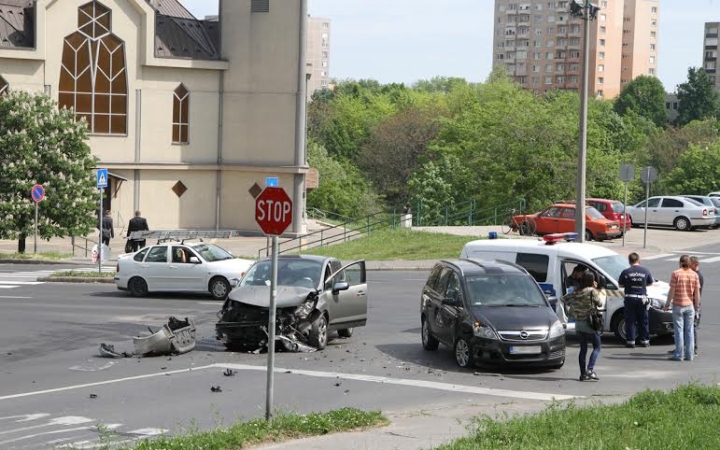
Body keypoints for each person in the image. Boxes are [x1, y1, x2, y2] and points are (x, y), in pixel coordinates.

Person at [563, 272, 604, 382]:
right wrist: (595, 288)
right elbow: (600, 304)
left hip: (579, 324)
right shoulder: (592, 291)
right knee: (597, 347)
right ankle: (590, 370)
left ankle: (582, 374)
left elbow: (564, 299)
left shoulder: (577, 291)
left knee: (583, 349)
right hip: (589, 323)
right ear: (592, 281)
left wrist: (570, 310)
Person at [664, 255, 701, 361]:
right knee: (689, 331)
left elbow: (672, 291)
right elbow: (697, 293)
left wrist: (667, 304)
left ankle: (679, 355)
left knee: (679, 331)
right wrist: (697, 307)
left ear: (680, 262)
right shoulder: (694, 275)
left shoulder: (676, 273)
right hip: (690, 305)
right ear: (689, 263)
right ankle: (690, 355)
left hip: (678, 305)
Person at [618, 252, 654, 348]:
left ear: (629, 261)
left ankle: (630, 341)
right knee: (643, 320)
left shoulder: (626, 272)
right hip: (642, 299)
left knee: (630, 320)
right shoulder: (645, 271)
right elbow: (650, 283)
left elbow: (620, 285)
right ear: (639, 260)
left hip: (630, 298)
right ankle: (645, 341)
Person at [690, 256, 703, 356]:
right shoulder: (695, 274)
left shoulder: (697, 276)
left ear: (694, 264)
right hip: (692, 304)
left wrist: (697, 308)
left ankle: (694, 349)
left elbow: (696, 293)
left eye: (690, 264)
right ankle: (685, 346)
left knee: (692, 327)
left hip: (694, 305)